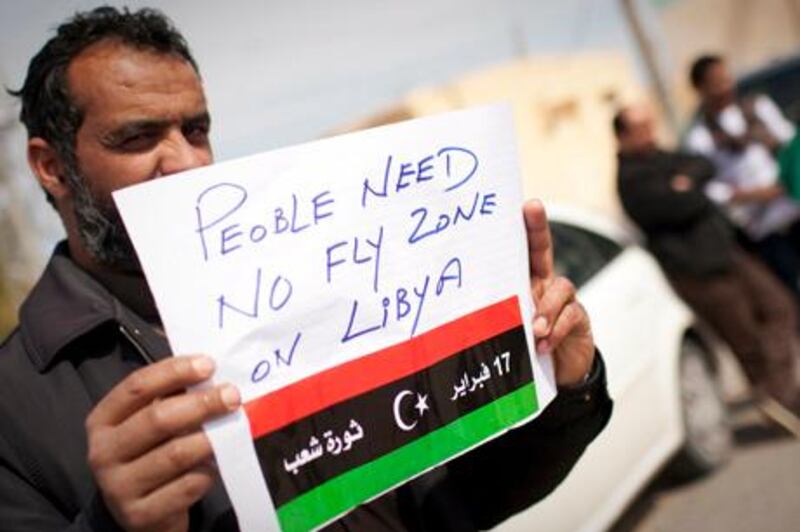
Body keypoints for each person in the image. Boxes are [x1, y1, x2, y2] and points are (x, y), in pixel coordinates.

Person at [0, 7, 611, 532]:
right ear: (51, 167)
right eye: (138, 138)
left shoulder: (316, 289)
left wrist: (562, 383)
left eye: (196, 129)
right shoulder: (14, 410)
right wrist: (117, 525)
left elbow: (455, 502)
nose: (186, 163)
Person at [615, 103, 800, 421]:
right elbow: (678, 206)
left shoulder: (664, 158)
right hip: (698, 271)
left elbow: (703, 165)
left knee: (780, 306)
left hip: (728, 252)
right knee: (746, 341)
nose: (648, 131)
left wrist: (687, 181)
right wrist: (690, 188)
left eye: (650, 123)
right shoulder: (630, 179)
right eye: (639, 127)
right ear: (623, 135)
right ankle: (782, 408)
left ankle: (780, 394)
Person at [684, 54, 800, 302]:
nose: (725, 87)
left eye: (726, 79)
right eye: (716, 82)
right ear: (700, 89)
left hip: (793, 203)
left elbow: (789, 142)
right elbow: (709, 188)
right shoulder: (701, 138)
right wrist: (750, 195)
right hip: (765, 226)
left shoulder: (758, 107)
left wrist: (786, 179)